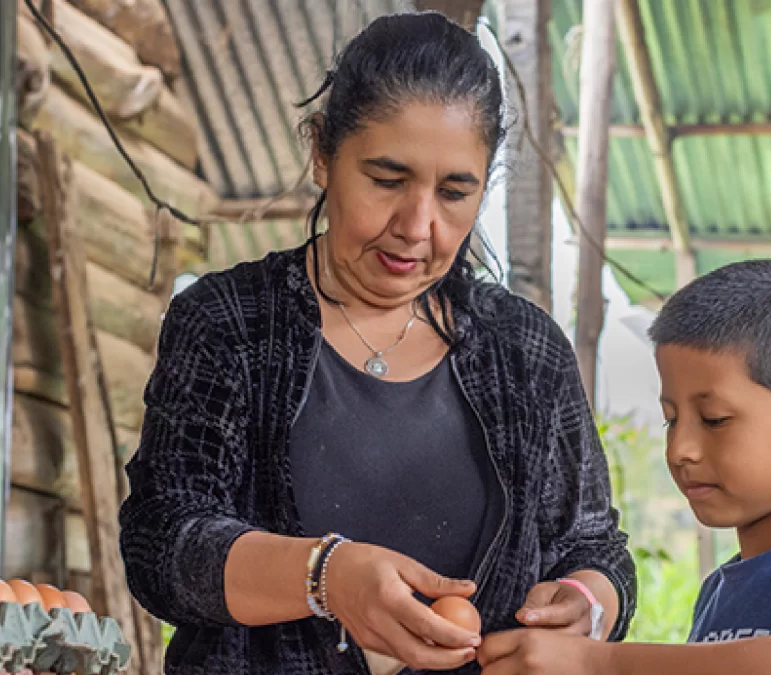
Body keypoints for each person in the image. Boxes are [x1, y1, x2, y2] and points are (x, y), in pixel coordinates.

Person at [118, 12, 635, 675]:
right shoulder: (228, 322)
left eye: (455, 192)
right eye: (388, 180)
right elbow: (163, 543)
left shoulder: (527, 353)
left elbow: (595, 546)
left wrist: (586, 601)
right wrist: (325, 575)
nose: (418, 226)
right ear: (322, 154)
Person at [476, 261, 771, 675]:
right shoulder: (719, 592)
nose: (680, 449)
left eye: (714, 420)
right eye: (671, 419)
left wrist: (603, 664)